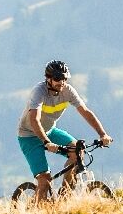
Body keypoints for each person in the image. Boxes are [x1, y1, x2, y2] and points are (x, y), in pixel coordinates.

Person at [16, 60, 112, 201]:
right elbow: (34, 120)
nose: (61, 82)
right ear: (48, 79)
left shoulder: (68, 91)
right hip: (28, 136)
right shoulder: (39, 92)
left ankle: (64, 196)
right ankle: (38, 211)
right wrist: (47, 143)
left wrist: (102, 134)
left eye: (64, 78)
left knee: (77, 151)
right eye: (57, 79)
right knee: (45, 179)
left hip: (49, 131)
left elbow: (85, 112)